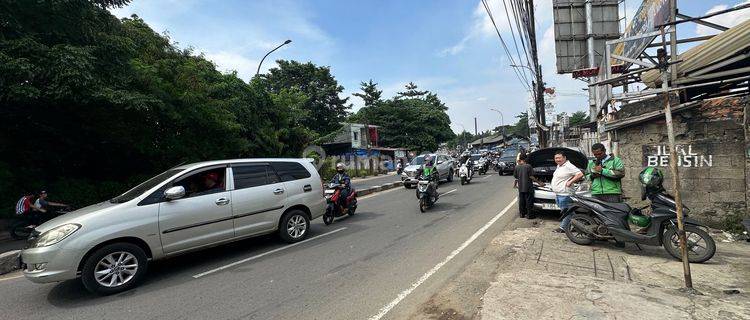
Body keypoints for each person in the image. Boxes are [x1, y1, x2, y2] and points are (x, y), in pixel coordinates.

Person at [551, 151, 584, 233]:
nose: (557, 159)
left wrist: (570, 182)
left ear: (564, 158)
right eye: (556, 158)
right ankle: (579, 225)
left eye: (559, 158)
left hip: (565, 194)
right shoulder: (559, 166)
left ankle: (563, 227)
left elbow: (580, 174)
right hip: (559, 194)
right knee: (569, 212)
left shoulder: (568, 166)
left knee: (567, 212)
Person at [513, 154, 544, 219]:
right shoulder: (528, 166)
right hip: (528, 187)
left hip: (520, 187)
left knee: (522, 201)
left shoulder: (517, 167)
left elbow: (516, 177)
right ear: (525, 159)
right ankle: (530, 215)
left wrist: (515, 184)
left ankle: (522, 214)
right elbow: (531, 176)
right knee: (529, 201)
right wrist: (539, 183)